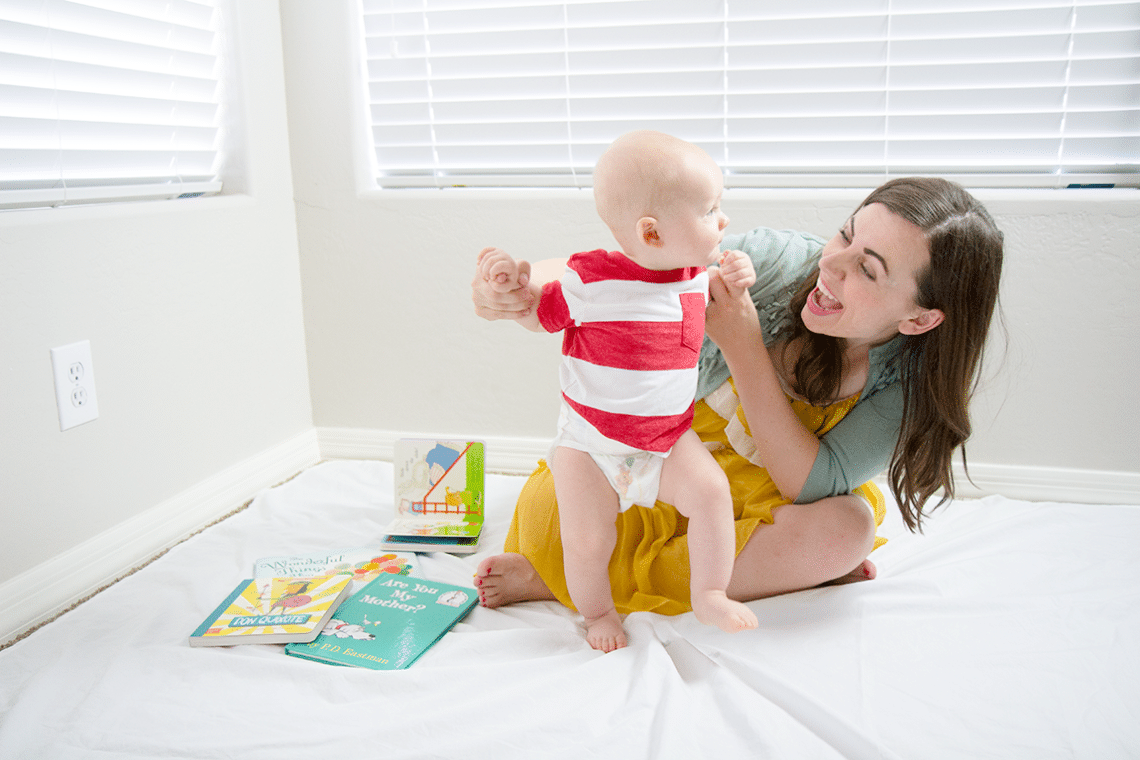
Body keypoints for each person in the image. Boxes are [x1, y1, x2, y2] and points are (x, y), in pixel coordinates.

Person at [471, 174, 1004, 627]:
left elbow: (809, 484)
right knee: (560, 505)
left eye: (868, 269)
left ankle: (567, 575)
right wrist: (522, 287)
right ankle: (594, 564)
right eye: (845, 233)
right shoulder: (777, 261)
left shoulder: (908, 385)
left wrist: (744, 343)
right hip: (672, 459)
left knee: (847, 531)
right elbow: (630, 272)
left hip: (766, 495)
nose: (834, 264)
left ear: (918, 319)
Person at [476, 131, 760, 652]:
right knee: (587, 540)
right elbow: (539, 313)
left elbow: (730, 289)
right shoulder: (591, 279)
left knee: (712, 494)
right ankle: (599, 612)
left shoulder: (698, 273)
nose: (722, 221)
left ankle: (710, 592)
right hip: (591, 445)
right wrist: (509, 283)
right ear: (651, 234)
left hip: (667, 441)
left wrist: (740, 275)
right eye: (710, 210)